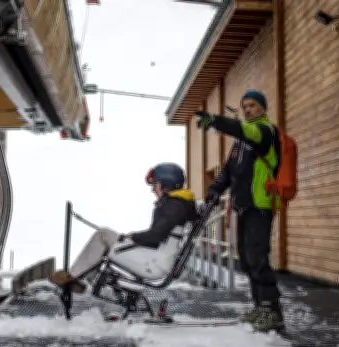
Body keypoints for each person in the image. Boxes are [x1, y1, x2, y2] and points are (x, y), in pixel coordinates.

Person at [195, 89, 284, 332]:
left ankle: (272, 311)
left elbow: (245, 130)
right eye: (244, 106)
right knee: (246, 258)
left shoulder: (266, 132)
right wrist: (214, 191)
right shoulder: (240, 142)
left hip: (260, 204)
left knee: (257, 257)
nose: (247, 110)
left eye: (252, 105)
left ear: (263, 108)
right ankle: (259, 306)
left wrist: (217, 121)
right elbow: (228, 170)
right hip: (243, 206)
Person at [50, 163, 198, 293]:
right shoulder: (178, 204)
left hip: (154, 263)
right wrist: (133, 238)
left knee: (103, 235)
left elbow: (156, 236)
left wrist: (134, 237)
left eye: (155, 185)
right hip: (158, 257)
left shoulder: (174, 205)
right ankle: (79, 278)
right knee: (104, 234)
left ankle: (76, 278)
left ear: (166, 184)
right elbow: (160, 236)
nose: (153, 190)